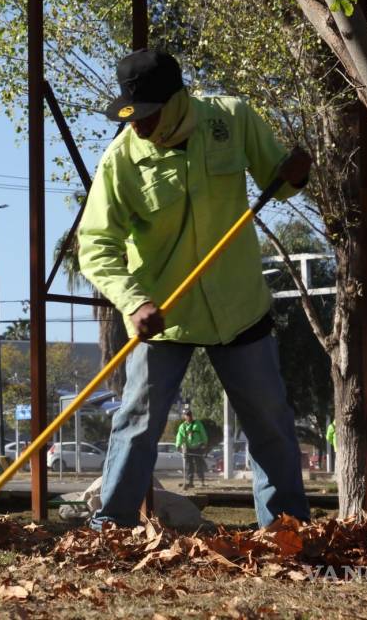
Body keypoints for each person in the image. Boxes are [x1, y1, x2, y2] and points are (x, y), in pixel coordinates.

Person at [78, 49, 312, 530]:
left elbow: (279, 179)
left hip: (238, 305)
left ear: (178, 99)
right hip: (164, 313)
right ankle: (112, 529)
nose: (138, 126)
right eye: (130, 116)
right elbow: (95, 245)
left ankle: (288, 530)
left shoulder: (231, 118)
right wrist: (133, 299)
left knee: (270, 422)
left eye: (146, 115)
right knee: (137, 423)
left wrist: (296, 173)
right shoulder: (120, 160)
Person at [175, 409, 208, 488]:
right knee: (189, 466)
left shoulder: (198, 424)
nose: (188, 416)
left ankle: (202, 481)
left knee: (198, 465)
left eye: (189, 415)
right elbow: (180, 436)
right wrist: (178, 445)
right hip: (188, 448)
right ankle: (190, 482)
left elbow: (203, 433)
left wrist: (204, 442)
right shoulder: (182, 426)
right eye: (187, 415)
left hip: (198, 447)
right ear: (184, 416)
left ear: (191, 415)